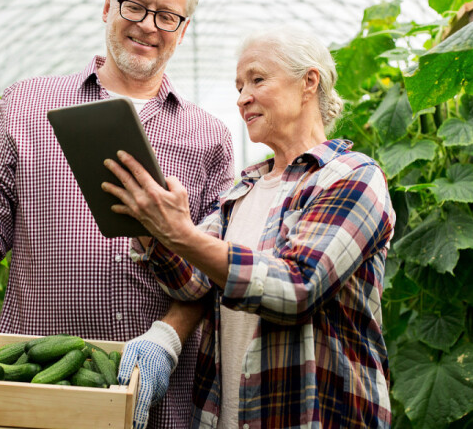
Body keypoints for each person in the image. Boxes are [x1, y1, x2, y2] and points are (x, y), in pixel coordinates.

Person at [0, 0, 234, 429]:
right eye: (135, 6)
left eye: (167, 15)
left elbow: (215, 261)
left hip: (156, 395)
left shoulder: (209, 136)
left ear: (183, 30)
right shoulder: (29, 103)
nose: (148, 25)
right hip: (35, 376)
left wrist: (167, 340)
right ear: (108, 6)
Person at [103, 25, 395, 428]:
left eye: (257, 79)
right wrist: (148, 224)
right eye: (239, 86)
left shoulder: (351, 176)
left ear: (309, 82)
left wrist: (181, 233)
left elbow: (297, 287)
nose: (243, 98)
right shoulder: (242, 190)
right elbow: (191, 284)